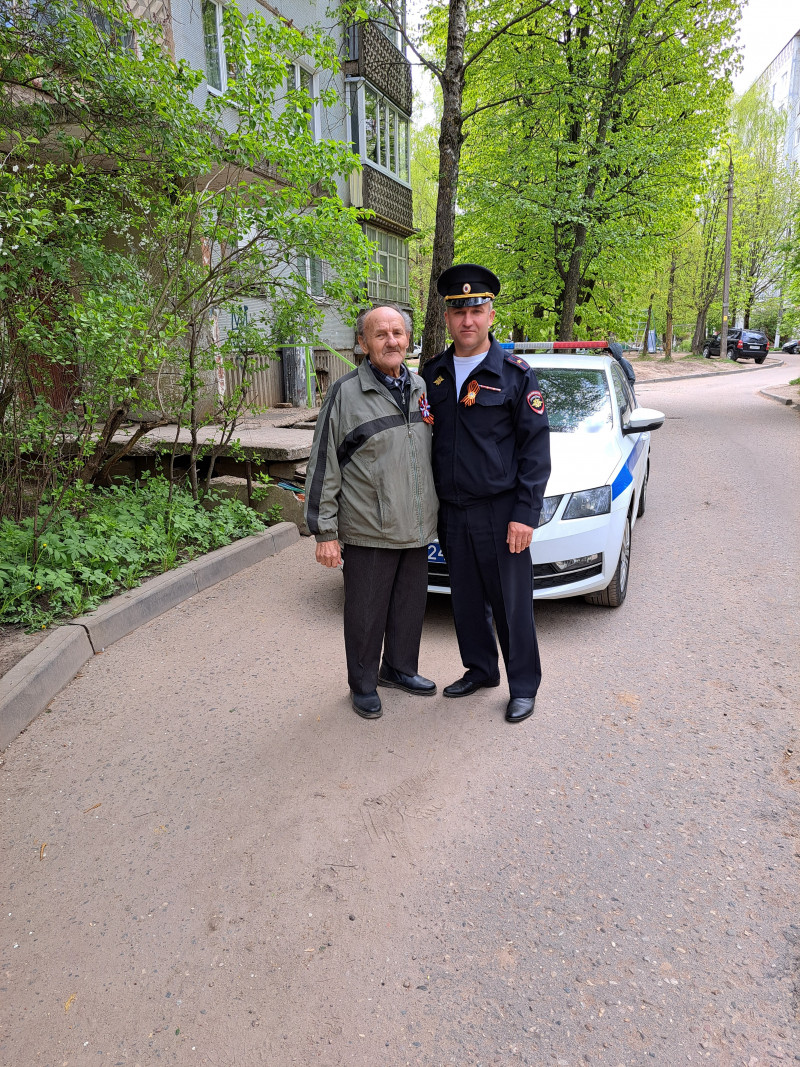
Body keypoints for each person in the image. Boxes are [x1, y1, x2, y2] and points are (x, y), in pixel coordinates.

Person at [421, 264, 551, 724]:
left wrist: (525, 514)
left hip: (501, 512)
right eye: (458, 311)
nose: (467, 320)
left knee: (512, 604)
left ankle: (523, 686)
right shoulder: (433, 373)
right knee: (465, 600)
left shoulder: (514, 375)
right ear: (447, 316)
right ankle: (480, 669)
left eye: (476, 309)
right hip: (453, 511)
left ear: (490, 314)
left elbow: (536, 450)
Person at [304, 303, 439, 720]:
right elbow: (323, 463)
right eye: (380, 334)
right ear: (362, 343)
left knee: (408, 607)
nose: (391, 341)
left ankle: (398, 669)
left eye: (397, 333)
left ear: (408, 339)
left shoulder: (420, 386)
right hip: (368, 527)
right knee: (365, 614)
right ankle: (362, 683)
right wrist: (324, 531)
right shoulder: (345, 393)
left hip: (414, 526)